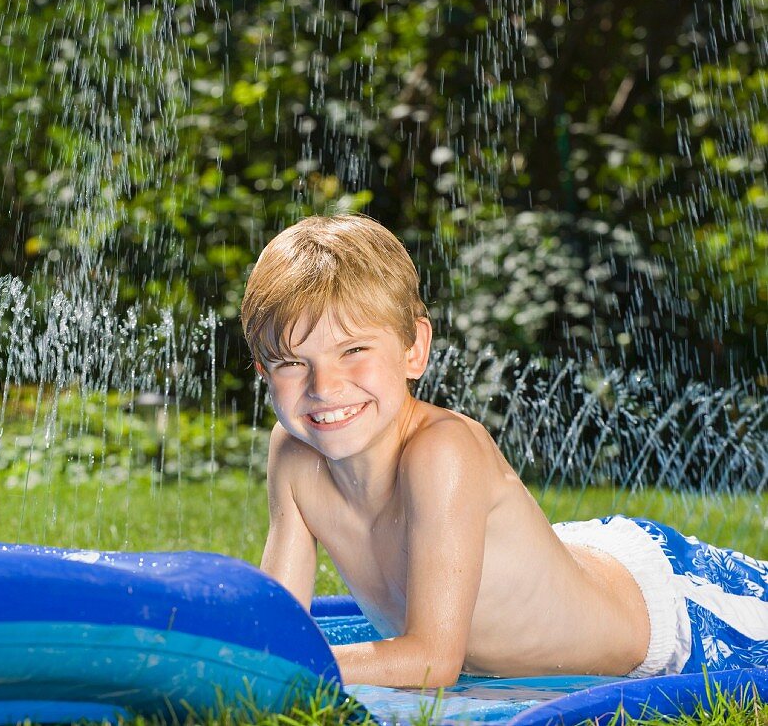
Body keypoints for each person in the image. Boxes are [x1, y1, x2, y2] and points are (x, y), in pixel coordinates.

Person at [239, 213, 768, 688]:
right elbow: (276, 621)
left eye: (353, 350)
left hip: (673, 608)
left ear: (414, 348)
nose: (324, 387)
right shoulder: (293, 453)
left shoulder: (440, 453)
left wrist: (283, 663)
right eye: (291, 362)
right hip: (539, 564)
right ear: (263, 373)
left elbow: (431, 661)